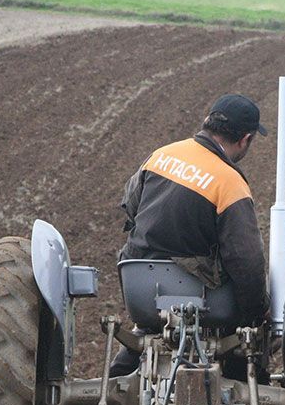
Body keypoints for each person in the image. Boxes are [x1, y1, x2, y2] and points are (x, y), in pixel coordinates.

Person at [109, 94, 270, 378]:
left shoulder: (161, 156)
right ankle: (247, 390)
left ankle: (113, 386)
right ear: (245, 139)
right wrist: (256, 314)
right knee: (241, 347)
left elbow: (130, 208)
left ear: (208, 122)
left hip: (140, 289)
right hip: (198, 299)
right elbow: (246, 261)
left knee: (145, 333)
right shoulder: (229, 182)